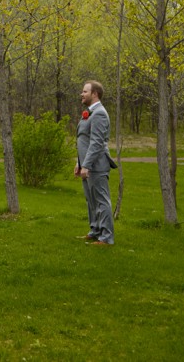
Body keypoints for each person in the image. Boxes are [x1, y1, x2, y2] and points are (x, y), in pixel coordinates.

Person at [74, 80, 116, 246]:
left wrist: (87, 165)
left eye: (85, 91)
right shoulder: (89, 112)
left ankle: (106, 238)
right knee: (91, 200)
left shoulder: (99, 113)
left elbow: (97, 142)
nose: (81, 94)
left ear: (95, 94)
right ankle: (95, 231)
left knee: (101, 200)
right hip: (87, 164)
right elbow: (84, 140)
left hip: (97, 166)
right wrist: (79, 163)